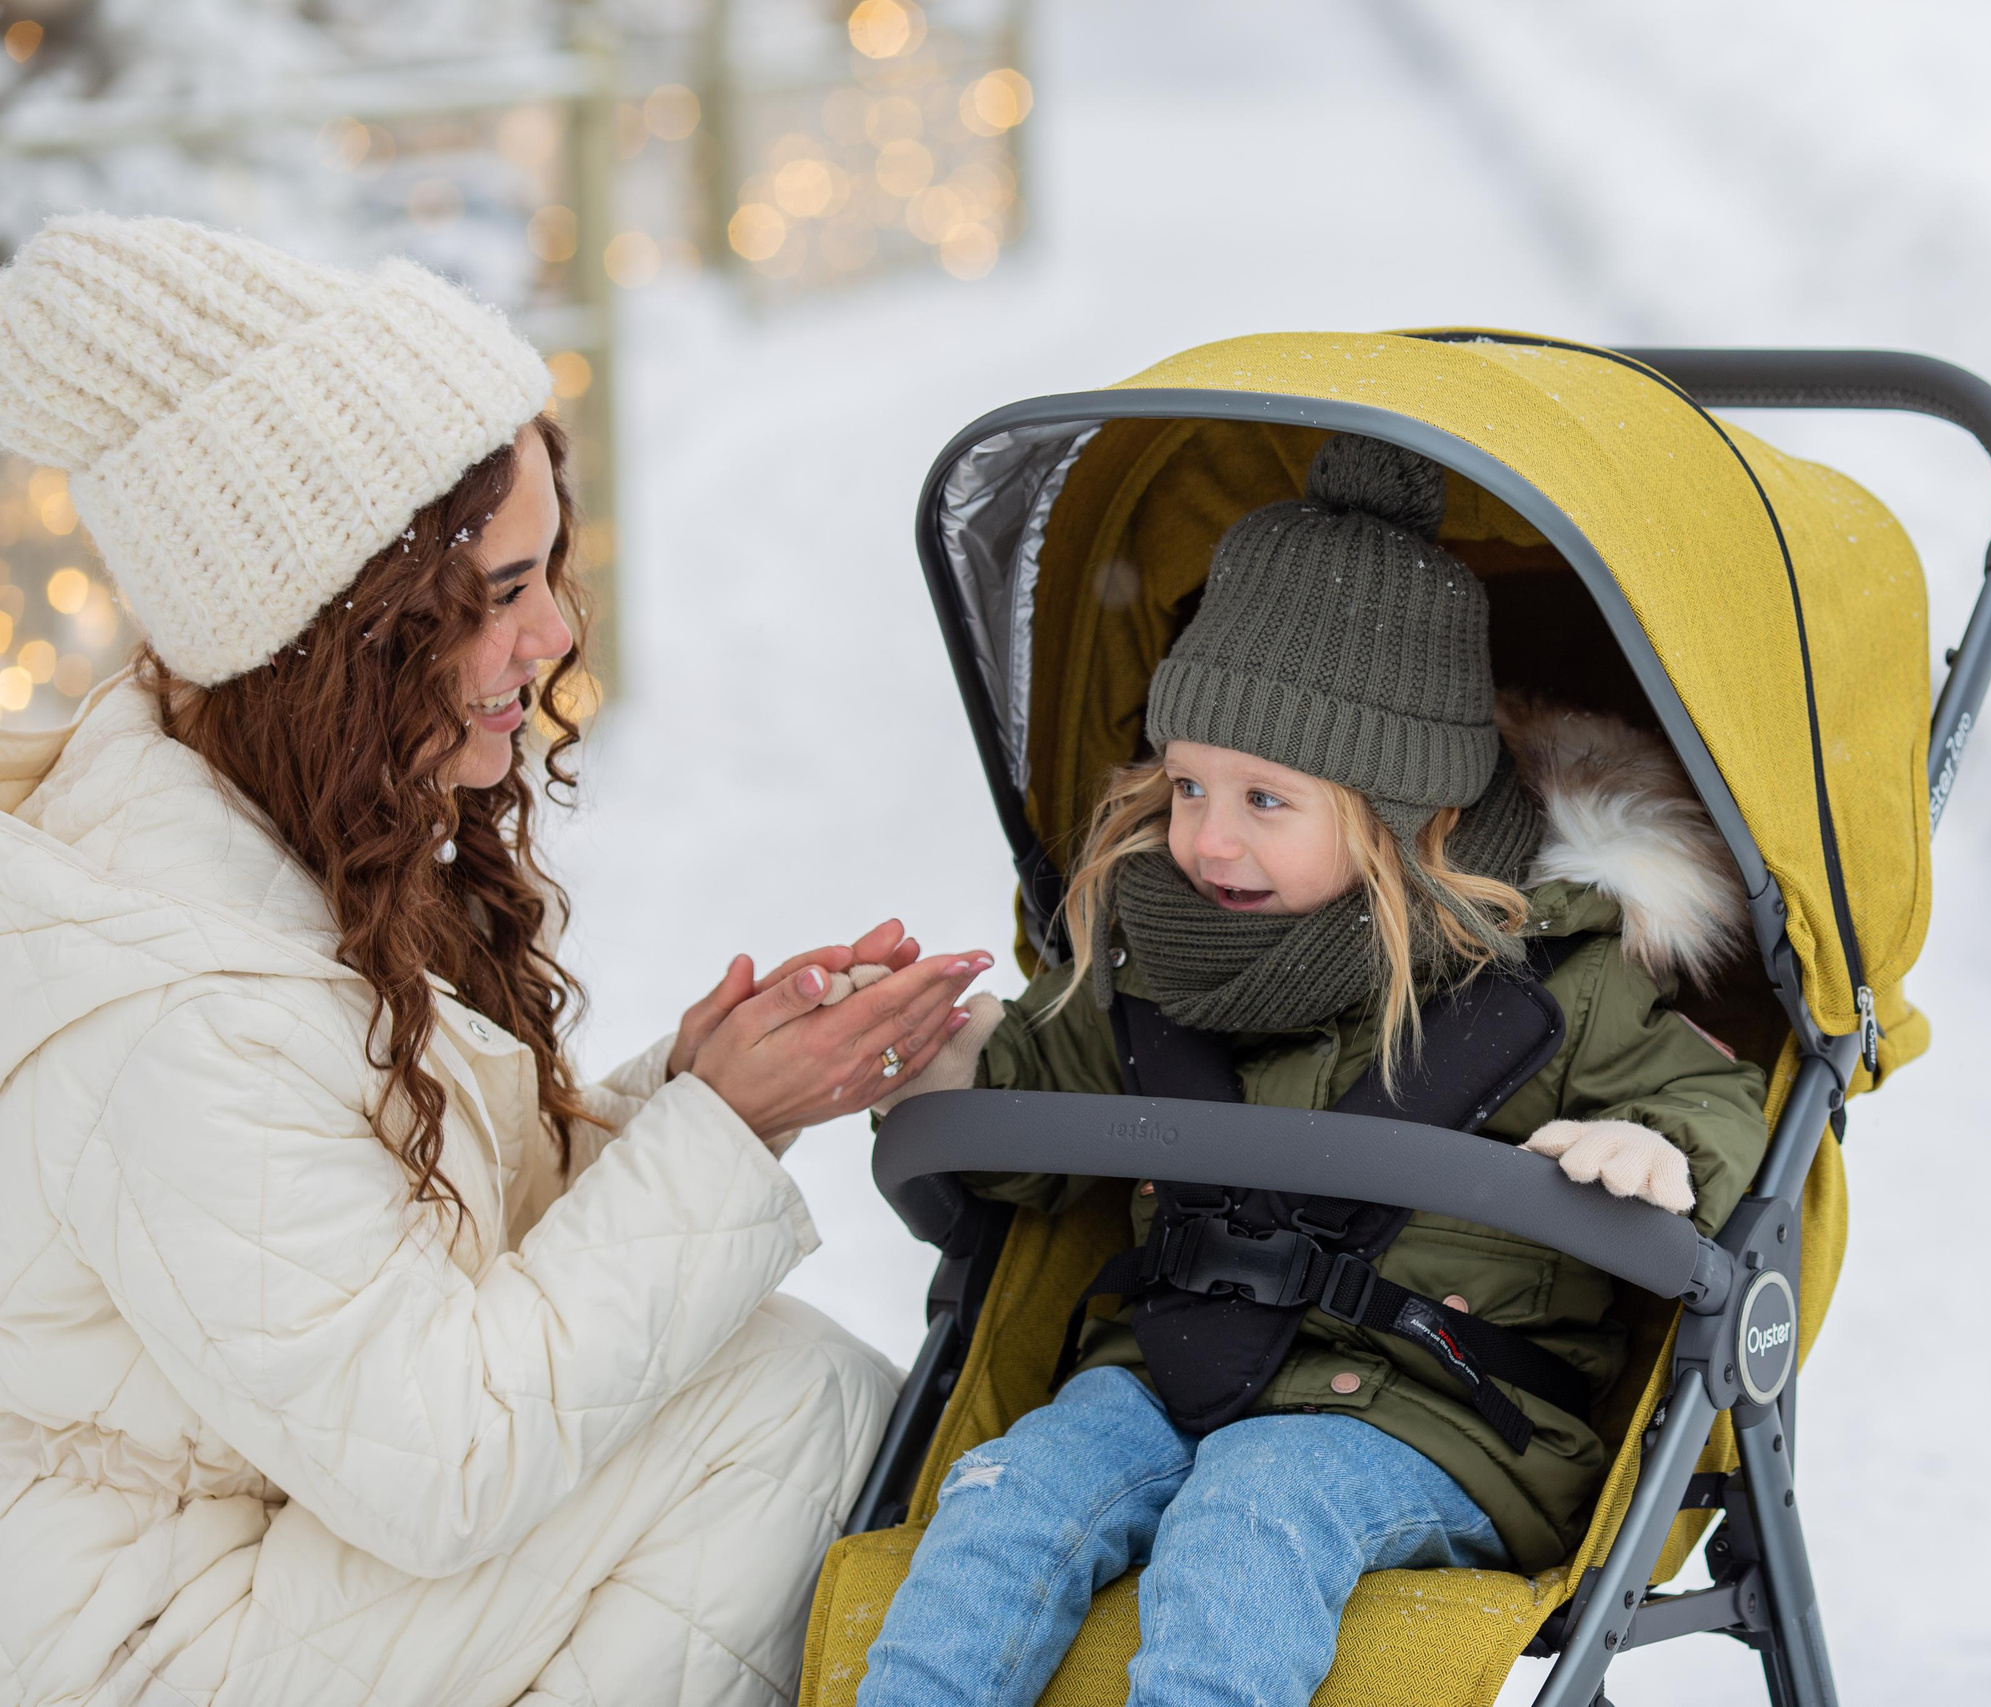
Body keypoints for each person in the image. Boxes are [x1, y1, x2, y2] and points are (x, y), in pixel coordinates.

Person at [0, 214, 991, 1707]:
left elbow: (423, 1269)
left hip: (276, 1536)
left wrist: (705, 1092)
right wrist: (719, 1133)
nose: (556, 634)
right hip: (151, 1634)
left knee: (788, 1396)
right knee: (780, 1416)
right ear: (340, 632)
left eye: (550, 574)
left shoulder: (281, 832)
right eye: (501, 594)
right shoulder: (173, 1015)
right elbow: (436, 1454)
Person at [852, 433, 1773, 1707]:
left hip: (1442, 1411)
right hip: (1167, 1369)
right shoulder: (1150, 959)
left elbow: (1713, 1097)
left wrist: (1658, 1148)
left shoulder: (1555, 985)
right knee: (1011, 1495)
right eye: (1186, 785)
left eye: (1263, 801)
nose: (1205, 840)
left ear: (1405, 811)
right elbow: (1028, 1123)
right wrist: (937, 1069)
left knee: (1257, 1507)